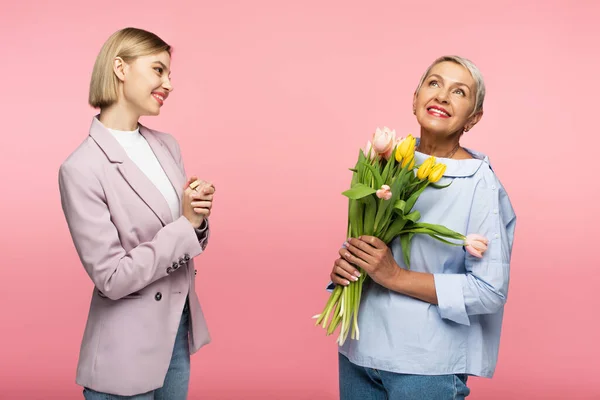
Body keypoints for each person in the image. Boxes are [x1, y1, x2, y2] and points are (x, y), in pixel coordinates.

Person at [330, 55, 517, 399]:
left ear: (473, 118)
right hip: (358, 350)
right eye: (434, 83)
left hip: (427, 365)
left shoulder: (479, 183)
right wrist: (350, 263)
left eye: (459, 92)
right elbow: (370, 239)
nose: (442, 96)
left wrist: (394, 275)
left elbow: (490, 290)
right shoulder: (385, 161)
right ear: (415, 97)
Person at [58, 27, 215, 399]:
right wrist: (185, 226)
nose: (169, 84)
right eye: (159, 70)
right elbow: (111, 277)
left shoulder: (166, 146)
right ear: (121, 68)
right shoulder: (81, 168)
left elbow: (187, 238)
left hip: (176, 333)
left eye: (170, 74)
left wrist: (198, 217)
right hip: (123, 350)